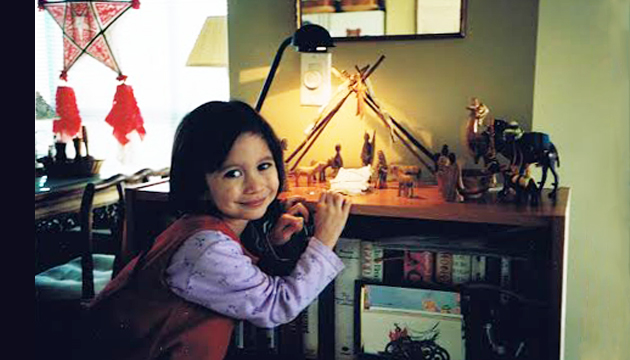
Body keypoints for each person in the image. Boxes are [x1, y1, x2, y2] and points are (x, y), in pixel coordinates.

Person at [81, 100, 352, 360]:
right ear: (200, 183)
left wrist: (269, 243)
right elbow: (276, 306)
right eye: (233, 173)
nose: (255, 185)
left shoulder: (199, 228)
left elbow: (231, 277)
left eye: (264, 166)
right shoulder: (207, 248)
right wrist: (324, 238)